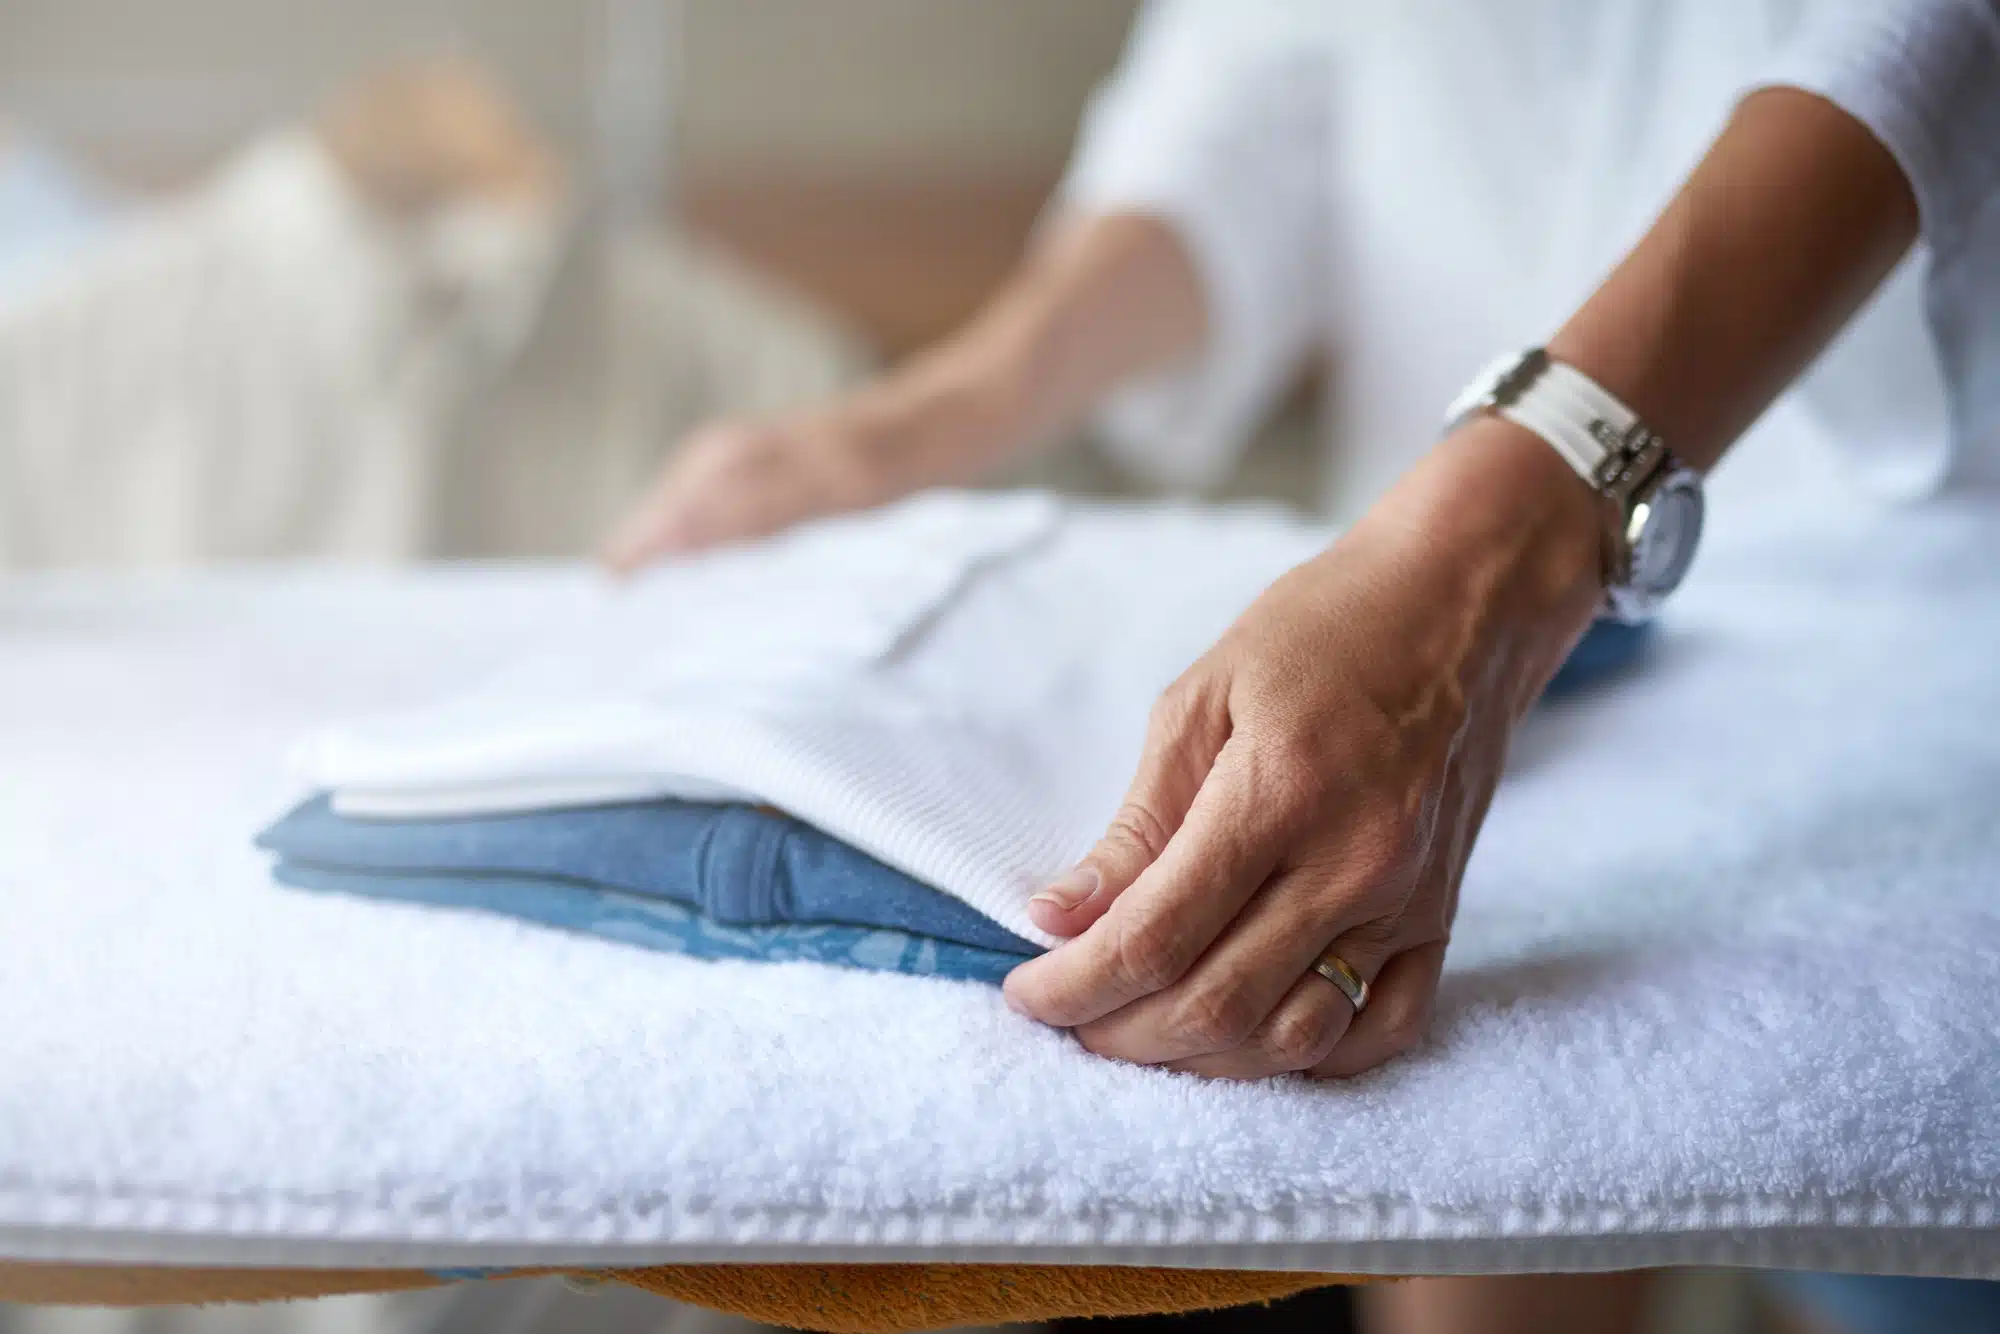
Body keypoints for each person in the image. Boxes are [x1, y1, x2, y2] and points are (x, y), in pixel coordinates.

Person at [603, 4, 1998, 1332]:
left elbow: (1933, 40)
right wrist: (932, 417)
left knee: (1892, 1243)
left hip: (1889, 606)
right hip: (1422, 591)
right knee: (1479, 1166)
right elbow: (1264, 56)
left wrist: (1503, 538)